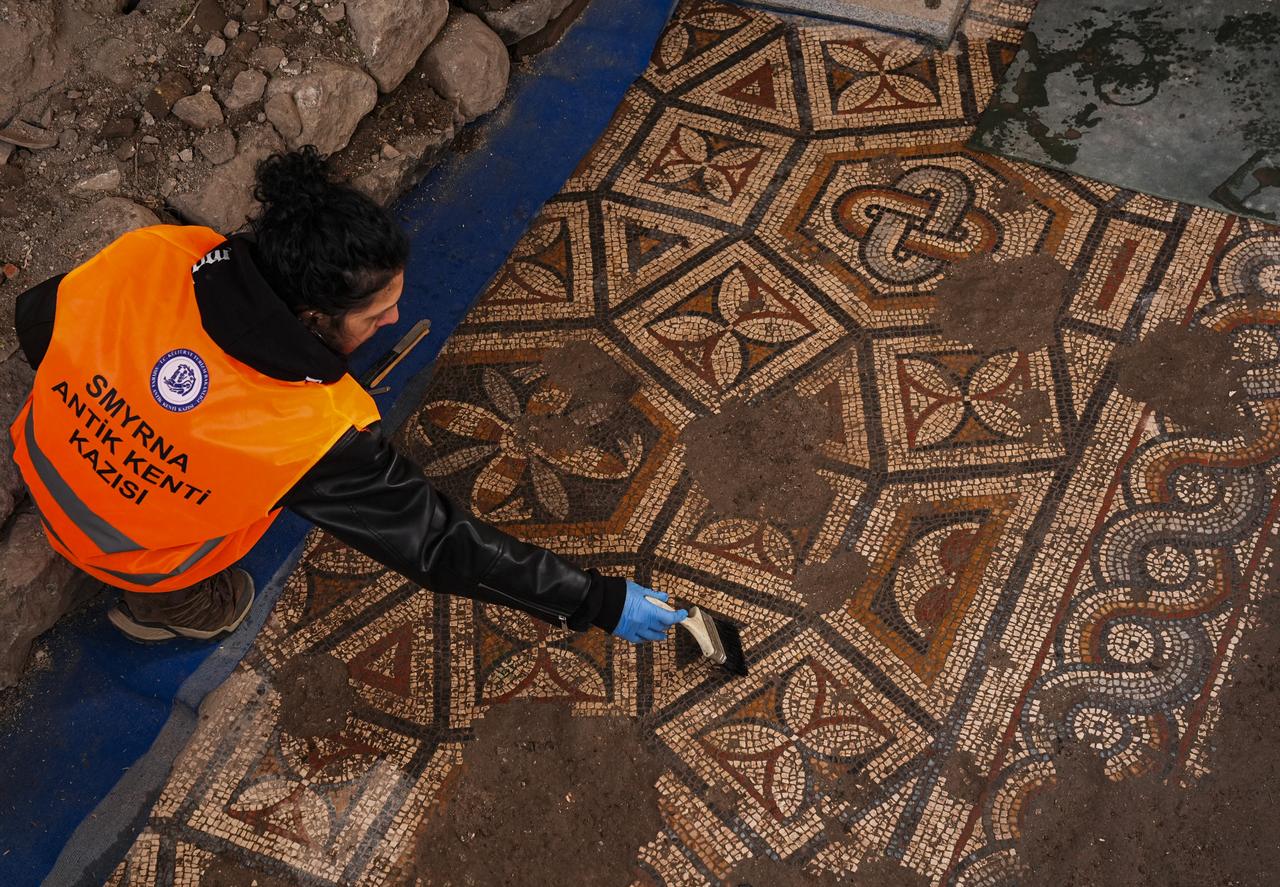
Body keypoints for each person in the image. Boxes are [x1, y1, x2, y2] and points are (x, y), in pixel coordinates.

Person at [9, 147, 686, 647]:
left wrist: (129, 400)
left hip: (42, 463)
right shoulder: (312, 430)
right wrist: (596, 600)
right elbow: (440, 544)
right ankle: (165, 604)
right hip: (134, 551)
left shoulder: (157, 256)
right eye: (375, 315)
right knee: (224, 594)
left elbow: (35, 320)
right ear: (311, 320)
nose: (392, 322)